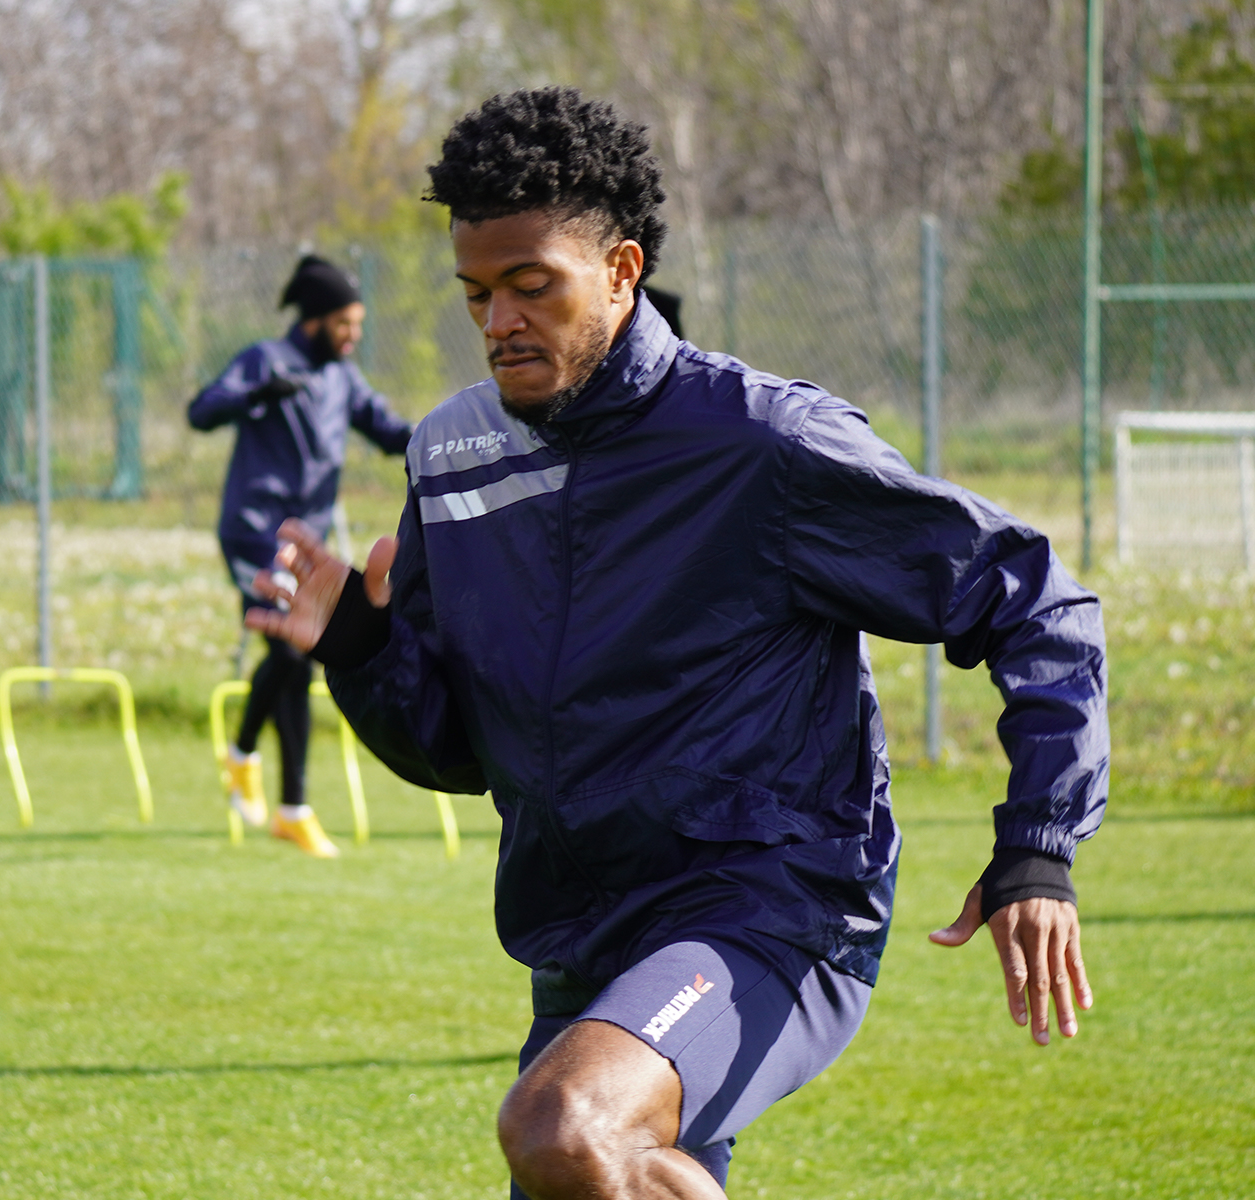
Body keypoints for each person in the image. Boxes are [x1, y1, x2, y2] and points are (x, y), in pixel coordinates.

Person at [247, 87, 1107, 1197]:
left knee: (563, 1126)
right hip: (576, 936)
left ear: (621, 269)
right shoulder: (452, 458)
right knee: (582, 1159)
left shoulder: (758, 444)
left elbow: (1032, 597)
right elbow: (462, 753)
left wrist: (1038, 841)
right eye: (475, 294)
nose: (499, 321)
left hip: (768, 905)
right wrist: (361, 651)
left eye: (530, 286)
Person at [188, 254, 413, 858]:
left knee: (297, 657)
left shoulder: (343, 377)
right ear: (315, 321)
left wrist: (450, 443)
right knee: (291, 647)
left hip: (304, 544)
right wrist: (259, 392)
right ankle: (240, 754)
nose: (354, 335)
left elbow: (390, 431)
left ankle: (292, 808)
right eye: (346, 323)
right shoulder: (267, 359)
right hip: (254, 531)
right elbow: (201, 411)